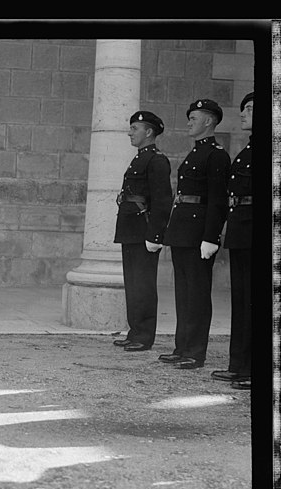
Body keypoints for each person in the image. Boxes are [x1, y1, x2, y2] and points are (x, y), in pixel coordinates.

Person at [159, 99, 230, 370]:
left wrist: (211, 237)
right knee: (184, 292)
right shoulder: (195, 152)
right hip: (183, 231)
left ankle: (195, 351)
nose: (189, 121)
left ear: (209, 121)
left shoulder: (216, 155)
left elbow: (217, 201)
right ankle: (182, 346)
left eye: (194, 117)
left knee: (198, 294)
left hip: (200, 233)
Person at [112, 111, 172, 352]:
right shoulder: (139, 159)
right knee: (133, 283)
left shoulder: (157, 160)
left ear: (149, 132)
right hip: (131, 227)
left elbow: (162, 200)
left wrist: (155, 235)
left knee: (144, 285)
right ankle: (135, 331)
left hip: (144, 229)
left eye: (134, 128)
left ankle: (144, 336)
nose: (130, 132)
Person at [211, 92, 254, 390]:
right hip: (241, 230)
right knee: (242, 302)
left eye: (251, 109)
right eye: (244, 108)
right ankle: (239, 365)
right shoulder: (247, 150)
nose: (243, 113)